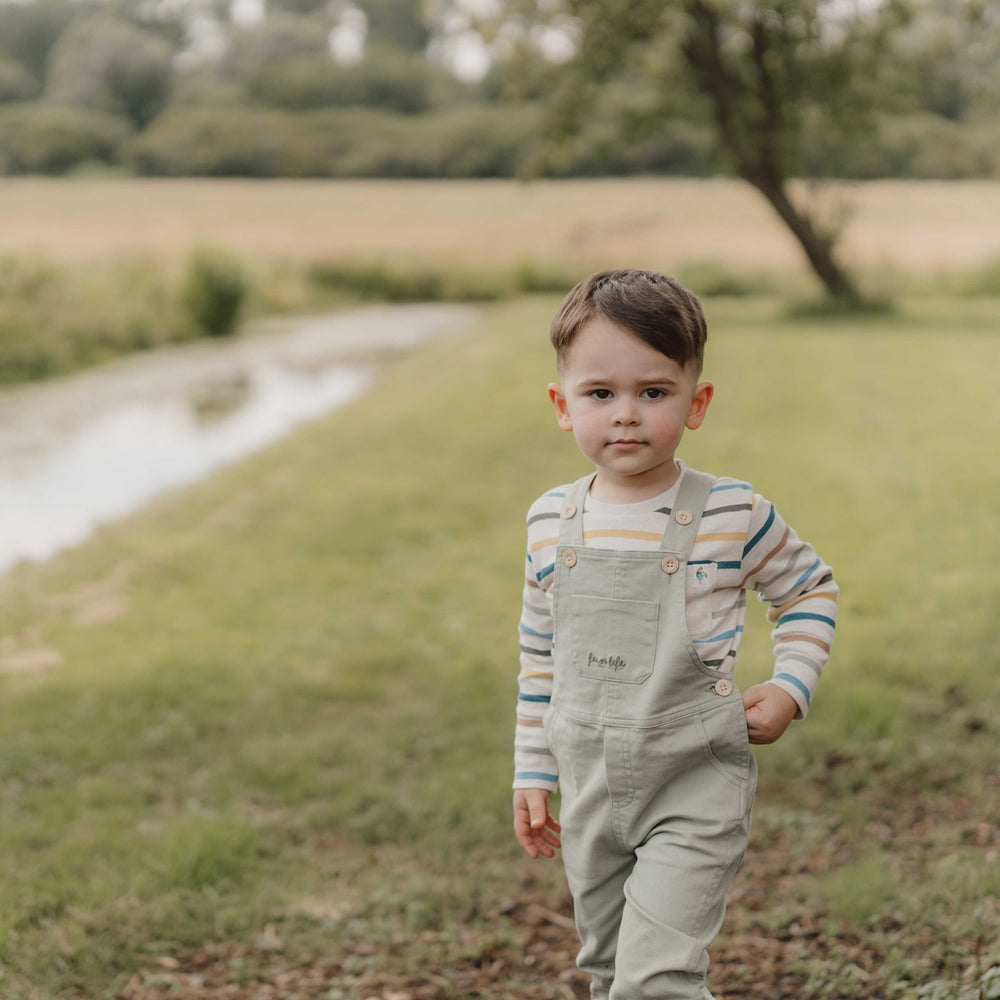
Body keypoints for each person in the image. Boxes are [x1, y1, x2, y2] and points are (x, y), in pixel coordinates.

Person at [512, 269, 838, 1000]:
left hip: (694, 782)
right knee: (608, 970)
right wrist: (533, 771)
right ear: (564, 406)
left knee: (657, 977)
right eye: (601, 394)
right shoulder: (548, 522)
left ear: (697, 402)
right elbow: (541, 657)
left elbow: (810, 589)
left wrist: (791, 687)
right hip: (590, 787)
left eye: (652, 392)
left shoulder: (732, 512)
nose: (626, 415)